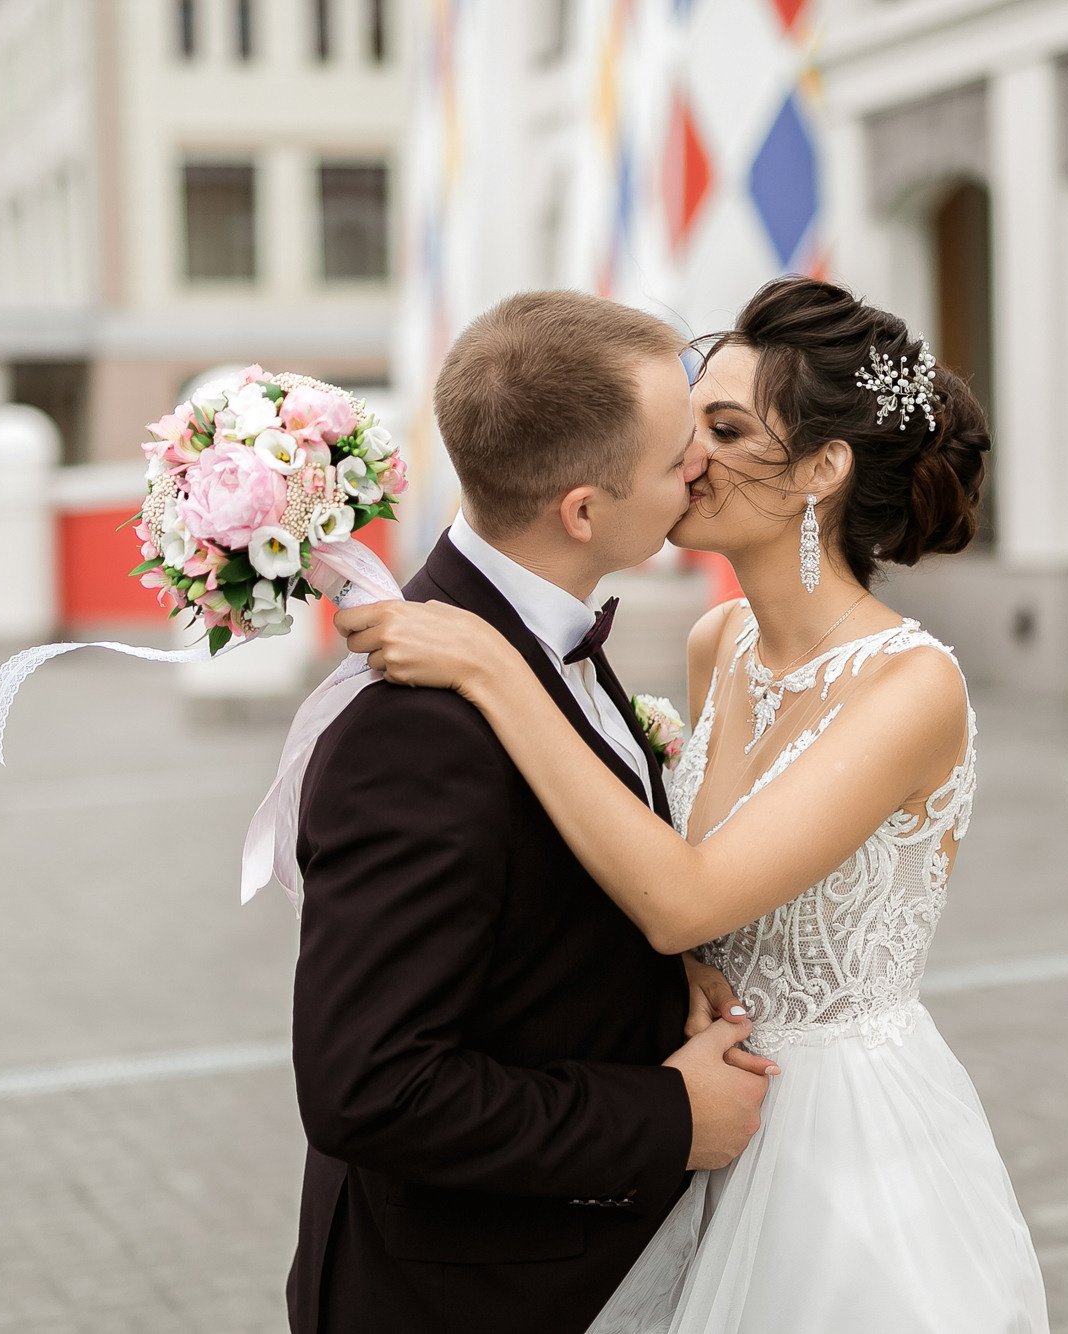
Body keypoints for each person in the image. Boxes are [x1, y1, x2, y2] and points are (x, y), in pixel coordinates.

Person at [337, 276, 1052, 1332]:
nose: (685, 456)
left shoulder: (910, 685)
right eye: (685, 422)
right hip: (699, 1114)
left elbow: (688, 894)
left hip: (839, 1142)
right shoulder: (720, 644)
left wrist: (494, 668)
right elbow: (681, 907)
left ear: (822, 469)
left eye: (719, 427)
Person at [286, 290, 781, 1334]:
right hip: (466, 1294)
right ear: (582, 511)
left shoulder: (530, 635)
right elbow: (370, 1086)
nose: (700, 463)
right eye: (675, 452)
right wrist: (666, 1116)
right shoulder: (412, 731)